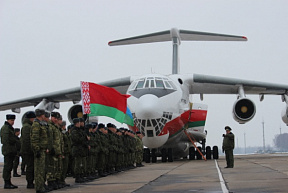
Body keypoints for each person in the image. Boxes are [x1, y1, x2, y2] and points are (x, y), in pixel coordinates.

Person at [31, 109, 49, 193]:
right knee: (39, 170)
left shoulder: (40, 124)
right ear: (41, 115)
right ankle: (39, 187)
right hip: (39, 150)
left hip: (42, 149)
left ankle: (41, 186)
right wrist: (37, 149)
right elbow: (34, 138)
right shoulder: (36, 125)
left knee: (42, 169)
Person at [0, 114, 18, 189]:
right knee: (7, 167)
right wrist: (15, 140)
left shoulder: (10, 128)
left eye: (13, 120)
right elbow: (5, 140)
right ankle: (7, 183)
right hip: (8, 150)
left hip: (11, 150)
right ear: (8, 120)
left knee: (9, 167)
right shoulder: (6, 128)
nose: (13, 122)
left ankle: (8, 182)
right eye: (11, 120)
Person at [20, 111, 36, 189]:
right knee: (30, 167)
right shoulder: (27, 127)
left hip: (29, 150)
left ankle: (31, 182)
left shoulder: (28, 126)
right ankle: (29, 183)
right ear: (31, 118)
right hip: (28, 151)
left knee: (31, 166)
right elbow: (27, 140)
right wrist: (31, 149)